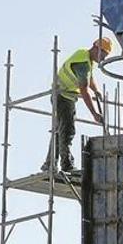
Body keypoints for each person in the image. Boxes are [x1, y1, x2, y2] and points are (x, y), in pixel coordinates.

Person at [41, 37, 113, 172]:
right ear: (96, 48)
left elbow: (89, 79)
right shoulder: (83, 63)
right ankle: (66, 164)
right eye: (103, 55)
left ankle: (49, 163)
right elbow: (84, 90)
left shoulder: (86, 58)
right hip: (63, 96)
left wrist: (96, 90)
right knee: (67, 131)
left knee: (59, 130)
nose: (103, 59)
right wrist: (94, 114)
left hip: (65, 95)